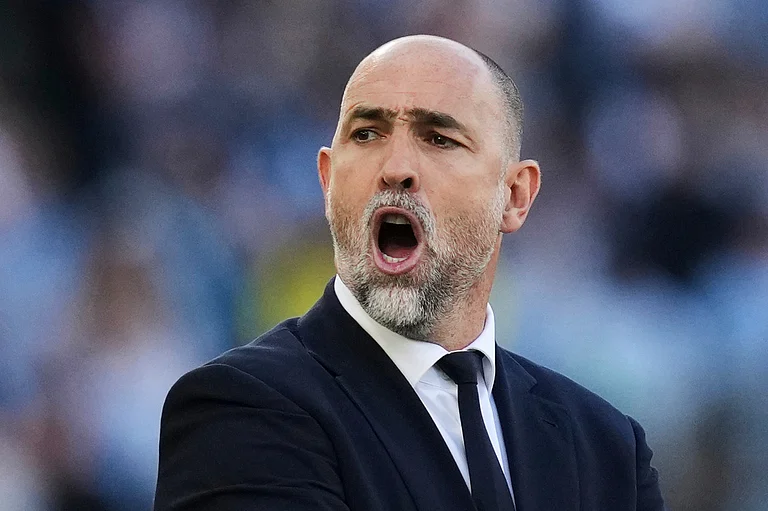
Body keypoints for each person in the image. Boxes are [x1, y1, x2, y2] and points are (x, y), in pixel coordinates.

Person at [154, 35, 666, 511]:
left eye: (439, 138)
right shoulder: (240, 407)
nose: (396, 166)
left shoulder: (605, 446)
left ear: (514, 196)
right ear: (328, 181)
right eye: (368, 133)